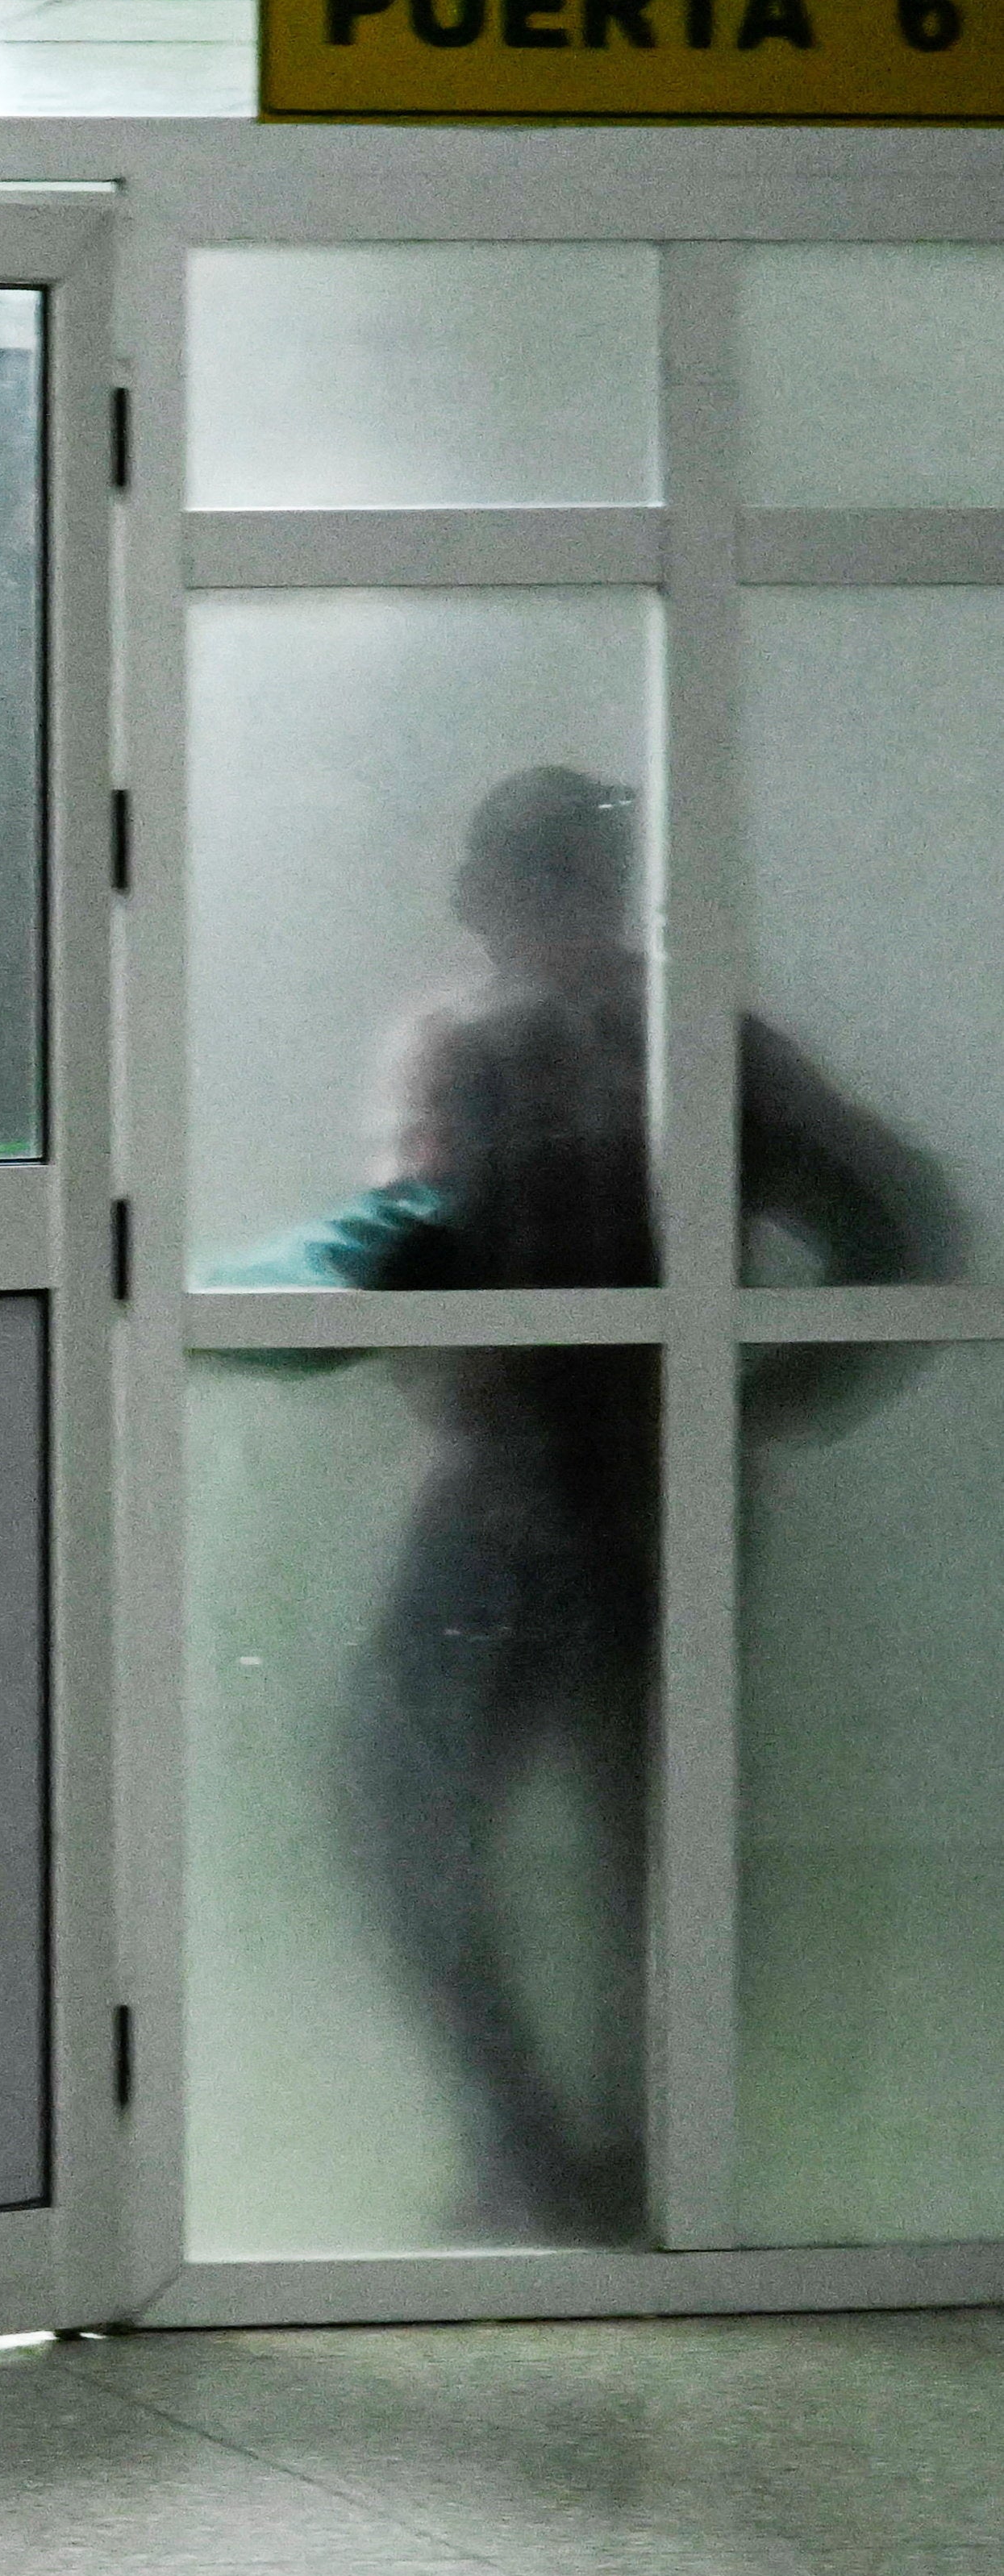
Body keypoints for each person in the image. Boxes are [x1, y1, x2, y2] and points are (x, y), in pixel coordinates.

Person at [333, 768, 961, 2241]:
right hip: (605, 1493)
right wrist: (757, 1402)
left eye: (495, 878)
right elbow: (901, 1222)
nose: (478, 910)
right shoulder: (665, 1046)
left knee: (555, 1822)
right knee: (612, 1829)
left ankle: (570, 2157)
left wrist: (756, 1397)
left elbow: (903, 1229)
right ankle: (592, 2161)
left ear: (519, 889)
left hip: (550, 1499)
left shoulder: (595, 1049)